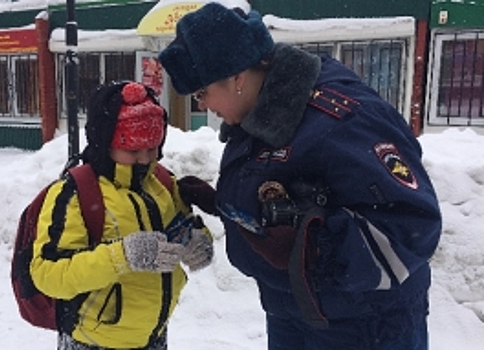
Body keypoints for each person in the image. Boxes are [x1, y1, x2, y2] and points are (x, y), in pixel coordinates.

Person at [159, 3, 442, 350]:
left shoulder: (342, 120)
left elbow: (412, 226)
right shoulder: (255, 112)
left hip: (363, 326)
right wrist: (225, 202)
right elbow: (284, 192)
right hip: (293, 312)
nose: (201, 105)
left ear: (236, 77)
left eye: (202, 93)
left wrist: (314, 248)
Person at [29, 81, 215, 350]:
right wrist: (122, 256)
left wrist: (197, 242)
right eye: (132, 151)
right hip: (93, 342)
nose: (144, 159)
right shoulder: (76, 194)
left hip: (154, 337)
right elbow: (47, 274)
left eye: (152, 148)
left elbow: (182, 226)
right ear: (105, 144)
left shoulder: (161, 182)